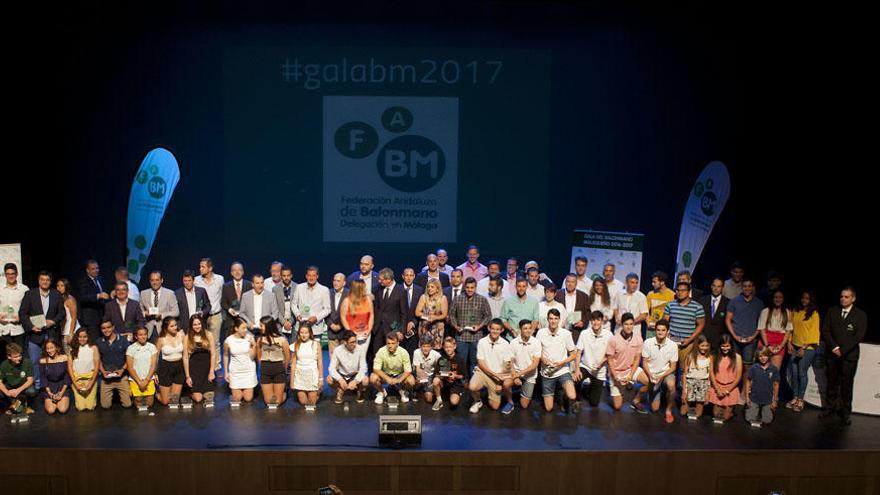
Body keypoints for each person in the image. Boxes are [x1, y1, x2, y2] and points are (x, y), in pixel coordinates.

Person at [821, 286, 868, 425]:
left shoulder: (860, 315)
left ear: (853, 298)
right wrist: (834, 347)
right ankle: (829, 408)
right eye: (841, 296)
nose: (843, 299)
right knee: (831, 382)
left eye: (846, 297)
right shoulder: (832, 311)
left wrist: (843, 350)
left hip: (849, 356)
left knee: (847, 384)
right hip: (832, 354)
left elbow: (858, 336)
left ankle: (845, 412)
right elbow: (826, 331)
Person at [19, 271, 65, 390]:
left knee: (52, 361)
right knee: (35, 361)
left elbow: (62, 313)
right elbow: (22, 313)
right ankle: (38, 385)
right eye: (42, 279)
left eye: (47, 280)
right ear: (39, 281)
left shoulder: (56, 294)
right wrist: (31, 326)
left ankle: (51, 385)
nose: (45, 282)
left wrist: (53, 321)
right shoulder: (30, 294)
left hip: (51, 334)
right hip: (35, 334)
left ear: (50, 281)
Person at [631, 320, 678, 423]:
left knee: (671, 385)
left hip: (665, 373)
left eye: (663, 330)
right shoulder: (648, 342)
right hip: (651, 374)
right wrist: (651, 375)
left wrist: (661, 377)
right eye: (658, 330)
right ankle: (642, 393)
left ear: (667, 331)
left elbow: (673, 367)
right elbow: (645, 363)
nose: (660, 332)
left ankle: (668, 410)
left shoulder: (673, 345)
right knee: (654, 409)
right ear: (655, 331)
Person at [536, 310, 578, 414]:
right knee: (549, 408)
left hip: (562, 370)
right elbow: (536, 351)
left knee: (572, 395)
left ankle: (565, 397)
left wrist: (562, 363)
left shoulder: (566, 334)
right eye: (551, 318)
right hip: (547, 372)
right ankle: (556, 392)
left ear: (559, 320)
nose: (553, 321)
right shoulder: (541, 333)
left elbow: (573, 354)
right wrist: (543, 359)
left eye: (555, 318)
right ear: (547, 319)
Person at [448, 277, 491, 379]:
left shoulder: (482, 299)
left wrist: (479, 326)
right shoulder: (458, 299)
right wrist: (456, 326)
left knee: (474, 362)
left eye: (472, 287)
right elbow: (451, 315)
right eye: (467, 287)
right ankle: (462, 385)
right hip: (461, 336)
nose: (469, 290)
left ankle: (473, 385)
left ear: (475, 288)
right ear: (464, 287)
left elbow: (488, 316)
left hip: (476, 337)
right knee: (461, 362)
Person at [469, 319, 514, 414]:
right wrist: (494, 374)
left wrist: (499, 383)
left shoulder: (505, 344)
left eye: (498, 329)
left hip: (498, 377)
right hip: (483, 372)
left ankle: (494, 393)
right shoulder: (482, 342)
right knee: (472, 387)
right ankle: (477, 401)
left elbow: (506, 366)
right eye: (493, 328)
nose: (495, 331)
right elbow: (481, 363)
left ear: (502, 330)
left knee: (495, 406)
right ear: (489, 328)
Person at [724, 278, 764, 380]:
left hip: (750, 340)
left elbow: (761, 323)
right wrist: (734, 335)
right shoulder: (734, 301)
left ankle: (744, 390)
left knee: (747, 366)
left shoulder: (759, 303)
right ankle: (733, 388)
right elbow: (728, 320)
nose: (747, 288)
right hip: (735, 338)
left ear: (753, 288)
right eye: (745, 286)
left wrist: (753, 337)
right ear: (742, 288)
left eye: (749, 286)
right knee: (734, 364)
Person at [787, 290, 820, 412]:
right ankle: (795, 397)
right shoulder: (796, 311)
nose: (804, 300)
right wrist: (789, 342)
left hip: (807, 348)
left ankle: (801, 399)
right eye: (803, 298)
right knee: (794, 374)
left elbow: (814, 332)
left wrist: (804, 347)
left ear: (811, 300)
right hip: (795, 345)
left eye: (807, 298)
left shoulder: (814, 313)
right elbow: (791, 328)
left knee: (802, 373)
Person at [605, 313, 644, 411]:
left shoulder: (638, 339)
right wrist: (615, 377)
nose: (629, 326)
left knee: (649, 381)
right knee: (617, 407)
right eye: (626, 324)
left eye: (631, 324)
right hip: (616, 373)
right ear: (622, 325)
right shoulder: (613, 340)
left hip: (630, 369)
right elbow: (609, 360)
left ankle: (636, 400)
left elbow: (637, 359)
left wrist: (631, 375)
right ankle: (615, 392)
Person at [574, 311, 612, 408]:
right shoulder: (584, 333)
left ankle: (588, 388)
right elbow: (578, 352)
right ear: (591, 321)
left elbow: (610, 354)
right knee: (576, 379)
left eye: (598, 320)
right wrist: (577, 369)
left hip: (599, 371)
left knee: (594, 403)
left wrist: (601, 362)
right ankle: (577, 396)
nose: (596, 322)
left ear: (602, 321)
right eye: (593, 320)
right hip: (585, 366)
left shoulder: (609, 335)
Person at [664, 281, 706, 365]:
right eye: (678, 290)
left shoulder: (697, 307)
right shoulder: (670, 305)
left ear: (688, 291)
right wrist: (667, 336)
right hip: (671, 342)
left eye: (683, 290)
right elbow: (665, 322)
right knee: (669, 368)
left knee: (685, 369)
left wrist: (690, 339)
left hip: (687, 343)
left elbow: (701, 325)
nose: (680, 292)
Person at [193, 258, 225, 369]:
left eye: (203, 267)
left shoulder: (220, 279)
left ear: (210, 268)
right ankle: (204, 365)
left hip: (215, 315)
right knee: (201, 341)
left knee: (215, 342)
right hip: (202, 316)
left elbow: (223, 295)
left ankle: (216, 365)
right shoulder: (196, 280)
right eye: (200, 266)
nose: (200, 269)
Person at [95, 319, 132, 409]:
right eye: (103, 328)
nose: (106, 330)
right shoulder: (99, 342)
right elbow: (98, 359)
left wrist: (122, 370)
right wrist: (103, 372)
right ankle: (113, 394)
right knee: (105, 406)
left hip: (121, 376)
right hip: (106, 377)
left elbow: (129, 358)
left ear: (113, 327)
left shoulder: (123, 340)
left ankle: (121, 394)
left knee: (127, 405)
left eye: (108, 327)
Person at [371, 268, 408, 357]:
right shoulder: (377, 289)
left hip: (392, 329)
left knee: (391, 355)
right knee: (377, 355)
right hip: (378, 329)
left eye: (381, 279)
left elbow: (404, 313)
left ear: (389, 280)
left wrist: (401, 331)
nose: (379, 281)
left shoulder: (401, 291)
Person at [707, 334, 743, 424]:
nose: (725, 348)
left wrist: (727, 390)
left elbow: (738, 377)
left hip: (730, 389)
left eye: (727, 346)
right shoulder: (714, 356)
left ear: (731, 346)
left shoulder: (737, 357)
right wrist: (717, 389)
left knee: (725, 417)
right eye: (723, 346)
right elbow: (711, 374)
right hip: (717, 387)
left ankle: (730, 411)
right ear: (719, 346)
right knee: (716, 415)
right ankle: (724, 408)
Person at [370, 333, 415, 404]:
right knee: (373, 377)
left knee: (411, 380)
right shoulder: (381, 351)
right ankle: (382, 392)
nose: (390, 346)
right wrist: (387, 378)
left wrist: (399, 380)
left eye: (393, 343)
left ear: (397, 343)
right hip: (386, 374)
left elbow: (408, 370)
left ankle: (403, 391)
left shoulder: (403, 352)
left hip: (399, 375)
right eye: (388, 343)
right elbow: (376, 369)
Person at [327, 330, 368, 404]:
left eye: (355, 341)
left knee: (365, 380)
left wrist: (356, 381)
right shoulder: (337, 350)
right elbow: (331, 368)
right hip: (342, 375)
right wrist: (340, 380)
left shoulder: (360, 349)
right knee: (329, 379)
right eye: (352, 342)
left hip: (354, 374)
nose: (355, 344)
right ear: (345, 342)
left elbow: (363, 368)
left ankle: (359, 390)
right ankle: (340, 389)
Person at [257, 316, 290, 406]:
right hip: (265, 371)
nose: (260, 328)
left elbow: (287, 357)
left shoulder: (282, 340)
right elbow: (259, 356)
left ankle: (285, 392)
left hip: (279, 370)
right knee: (269, 402)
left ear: (268, 326)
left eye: (261, 326)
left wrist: (283, 369)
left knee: (277, 402)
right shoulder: (260, 340)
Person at [183, 315, 215, 404]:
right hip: (194, 370)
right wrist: (187, 376)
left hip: (206, 368)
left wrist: (212, 371)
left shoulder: (209, 335)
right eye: (194, 325)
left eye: (199, 324)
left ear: (202, 324)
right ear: (191, 326)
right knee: (198, 399)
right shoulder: (187, 337)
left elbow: (213, 354)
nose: (197, 326)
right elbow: (185, 358)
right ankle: (189, 393)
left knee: (209, 397)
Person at [757, 290, 792, 374]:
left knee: (774, 372)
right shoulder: (765, 311)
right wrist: (768, 346)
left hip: (779, 344)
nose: (778, 299)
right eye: (776, 297)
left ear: (783, 299)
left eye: (780, 297)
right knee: (762, 372)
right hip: (766, 342)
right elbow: (761, 329)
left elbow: (788, 331)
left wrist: (781, 346)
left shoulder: (787, 312)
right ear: (772, 299)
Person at [292, 266, 331, 341]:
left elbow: (327, 309)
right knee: (299, 351)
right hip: (301, 326)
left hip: (316, 328)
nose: (311, 278)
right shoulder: (299, 287)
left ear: (317, 276)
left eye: (313, 275)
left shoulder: (324, 290)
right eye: (309, 275)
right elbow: (293, 304)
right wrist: (297, 314)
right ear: (306, 276)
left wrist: (316, 318)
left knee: (315, 351)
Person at [509, 320, 541, 410]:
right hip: (515, 372)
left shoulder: (536, 342)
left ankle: (520, 390)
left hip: (529, 375)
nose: (528, 330)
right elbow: (510, 362)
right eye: (525, 328)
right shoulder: (513, 342)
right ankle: (510, 399)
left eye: (530, 328)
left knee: (524, 405)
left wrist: (519, 375)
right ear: (520, 330)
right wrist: (515, 376)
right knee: (506, 384)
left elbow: (534, 365)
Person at [744, 347, 780, 428]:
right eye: (760, 356)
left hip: (767, 399)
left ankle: (764, 412)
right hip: (754, 398)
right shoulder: (754, 367)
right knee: (749, 418)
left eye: (765, 355)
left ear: (769, 356)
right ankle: (755, 412)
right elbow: (748, 382)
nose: (763, 358)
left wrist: (774, 400)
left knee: (767, 421)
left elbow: (776, 384)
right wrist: (747, 397)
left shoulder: (773, 369)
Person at [224, 317, 257, 403]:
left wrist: (254, 346)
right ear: (236, 328)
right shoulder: (228, 340)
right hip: (235, 372)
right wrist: (226, 372)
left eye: (246, 328)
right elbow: (225, 355)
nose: (246, 330)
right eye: (243, 328)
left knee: (248, 398)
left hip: (248, 371)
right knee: (237, 398)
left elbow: (252, 357)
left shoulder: (249, 338)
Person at [140, 270, 179, 343]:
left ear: (162, 280)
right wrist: (145, 313)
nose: (154, 283)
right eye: (152, 280)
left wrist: (162, 315)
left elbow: (176, 312)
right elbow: (139, 311)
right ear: (149, 281)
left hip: (164, 330)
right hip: (148, 331)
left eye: (157, 280)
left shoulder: (169, 293)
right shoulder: (143, 293)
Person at [0, 263, 28, 363]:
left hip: (18, 329)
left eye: (13, 273)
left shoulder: (24, 289)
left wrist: (22, 317)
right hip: (3, 329)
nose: (10, 276)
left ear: (17, 274)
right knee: (4, 358)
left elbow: (29, 309)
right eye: (8, 274)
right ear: (5, 275)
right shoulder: (0, 288)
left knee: (19, 357)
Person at [290, 321, 322, 407]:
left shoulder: (316, 344)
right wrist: (292, 382)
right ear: (299, 333)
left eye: (306, 333)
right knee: (303, 402)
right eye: (302, 332)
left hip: (312, 375)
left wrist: (320, 379)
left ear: (310, 333)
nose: (304, 335)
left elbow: (320, 362)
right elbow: (293, 365)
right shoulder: (295, 345)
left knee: (311, 403)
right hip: (300, 376)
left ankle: (317, 393)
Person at [680, 334, 711, 419]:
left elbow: (709, 377)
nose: (704, 348)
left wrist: (708, 392)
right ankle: (689, 407)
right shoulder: (690, 357)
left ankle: (694, 408)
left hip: (702, 383)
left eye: (706, 346)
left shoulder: (709, 358)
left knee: (698, 414)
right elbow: (684, 374)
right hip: (690, 383)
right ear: (697, 345)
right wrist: (684, 390)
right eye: (702, 345)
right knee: (683, 413)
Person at [126, 327, 159, 409]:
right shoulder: (131, 348)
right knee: (140, 406)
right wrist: (139, 382)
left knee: (149, 404)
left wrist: (147, 380)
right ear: (136, 336)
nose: (143, 337)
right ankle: (133, 395)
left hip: (149, 379)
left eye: (145, 334)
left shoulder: (152, 347)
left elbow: (153, 365)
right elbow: (130, 367)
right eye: (140, 335)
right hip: (136, 380)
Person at [77, 260, 111, 339]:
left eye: (97, 268)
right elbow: (83, 297)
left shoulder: (101, 280)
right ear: (87, 270)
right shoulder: (83, 282)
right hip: (90, 318)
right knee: (94, 340)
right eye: (93, 269)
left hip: (102, 316)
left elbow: (105, 294)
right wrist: (98, 296)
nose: (96, 270)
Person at [0, 343, 37, 415]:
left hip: (23, 386)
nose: (19, 358)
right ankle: (10, 406)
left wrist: (17, 390)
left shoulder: (27, 362)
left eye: (20, 355)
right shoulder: (4, 364)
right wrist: (7, 392)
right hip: (10, 387)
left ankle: (27, 406)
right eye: (15, 357)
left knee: (31, 391)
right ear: (9, 357)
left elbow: (30, 380)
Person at [68, 328, 99, 411]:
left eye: (85, 337)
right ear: (77, 337)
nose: (82, 339)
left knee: (90, 407)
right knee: (80, 408)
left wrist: (91, 383)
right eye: (80, 337)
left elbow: (96, 366)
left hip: (90, 379)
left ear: (88, 337)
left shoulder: (93, 348)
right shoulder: (72, 349)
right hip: (77, 380)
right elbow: (70, 367)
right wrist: (75, 384)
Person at [156, 316, 185, 405]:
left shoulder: (181, 335)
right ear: (166, 328)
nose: (175, 327)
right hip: (166, 368)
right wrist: (154, 373)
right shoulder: (161, 339)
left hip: (179, 367)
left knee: (174, 401)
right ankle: (155, 394)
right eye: (172, 326)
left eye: (175, 325)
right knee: (165, 402)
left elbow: (186, 353)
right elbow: (155, 357)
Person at [432, 336, 466, 411]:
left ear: (454, 346)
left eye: (450, 347)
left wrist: (455, 375)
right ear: (443, 347)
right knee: (435, 380)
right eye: (446, 347)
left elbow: (463, 376)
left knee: (454, 402)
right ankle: (439, 400)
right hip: (444, 383)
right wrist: (443, 375)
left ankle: (458, 393)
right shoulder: (442, 359)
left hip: (455, 384)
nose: (448, 349)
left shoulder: (460, 359)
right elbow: (436, 374)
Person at [339, 280, 374, 352]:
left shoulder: (368, 299)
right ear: (359, 289)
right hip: (352, 335)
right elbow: (343, 318)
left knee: (362, 356)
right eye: (364, 287)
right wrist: (351, 334)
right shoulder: (346, 301)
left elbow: (371, 315)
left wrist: (368, 331)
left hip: (365, 334)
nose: (366, 289)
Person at [220, 262, 253, 335]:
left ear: (243, 272)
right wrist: (229, 309)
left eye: (239, 270)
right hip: (231, 321)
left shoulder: (249, 285)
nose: (237, 272)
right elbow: (223, 302)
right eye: (234, 270)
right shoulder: (226, 286)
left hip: (246, 319)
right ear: (231, 273)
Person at [39, 339, 70, 415]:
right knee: (51, 410)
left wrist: (61, 393)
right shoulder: (43, 361)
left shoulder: (64, 358)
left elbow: (67, 376)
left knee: (62, 409)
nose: (49, 350)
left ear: (56, 347)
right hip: (49, 387)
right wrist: (50, 394)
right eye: (47, 348)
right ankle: (51, 401)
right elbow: (43, 379)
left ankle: (60, 400)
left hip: (62, 386)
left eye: (51, 347)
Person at [555, 274, 589, 342]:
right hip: (559, 331)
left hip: (576, 332)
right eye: (568, 281)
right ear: (565, 282)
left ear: (576, 283)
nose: (570, 284)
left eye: (572, 282)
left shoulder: (584, 296)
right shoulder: (557, 294)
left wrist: (583, 322)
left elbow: (588, 313)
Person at [698, 278, 729, 348]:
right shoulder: (702, 300)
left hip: (719, 340)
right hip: (703, 338)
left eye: (719, 286)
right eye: (714, 286)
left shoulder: (728, 302)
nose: (716, 288)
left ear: (722, 288)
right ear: (711, 286)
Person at [325, 272, 350, 356]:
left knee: (345, 360)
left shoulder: (349, 293)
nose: (335, 283)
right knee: (333, 361)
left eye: (338, 281)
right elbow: (324, 310)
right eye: (334, 280)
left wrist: (340, 325)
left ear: (344, 283)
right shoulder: (328, 292)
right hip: (331, 333)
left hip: (344, 332)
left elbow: (350, 313)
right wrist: (331, 324)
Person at [400, 267, 424, 355]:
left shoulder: (420, 290)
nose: (409, 278)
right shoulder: (398, 289)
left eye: (411, 275)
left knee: (412, 354)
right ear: (403, 276)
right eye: (406, 275)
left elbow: (423, 309)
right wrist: (403, 325)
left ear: (414, 276)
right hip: (401, 329)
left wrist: (413, 322)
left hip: (415, 328)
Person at [646, 271, 675, 339]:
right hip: (651, 328)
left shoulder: (672, 295)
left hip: (663, 329)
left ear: (662, 282)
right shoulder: (650, 294)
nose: (652, 284)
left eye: (654, 282)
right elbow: (646, 311)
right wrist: (648, 322)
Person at [272, 265, 298, 343]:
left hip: (294, 322)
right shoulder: (275, 289)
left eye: (288, 275)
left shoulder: (298, 287)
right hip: (280, 323)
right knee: (283, 348)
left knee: (294, 348)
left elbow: (299, 307)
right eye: (284, 276)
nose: (286, 278)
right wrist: (283, 322)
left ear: (291, 275)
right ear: (281, 276)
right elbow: (275, 308)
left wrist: (290, 322)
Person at [412, 337, 441, 403]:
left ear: (431, 347)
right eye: (424, 346)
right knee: (417, 381)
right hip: (419, 373)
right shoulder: (416, 352)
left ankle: (429, 390)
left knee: (429, 399)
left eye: (428, 346)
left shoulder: (437, 355)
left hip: (430, 374)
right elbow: (418, 369)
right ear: (420, 346)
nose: (426, 348)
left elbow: (440, 368)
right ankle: (416, 390)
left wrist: (434, 378)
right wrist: (421, 378)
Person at [55, 278, 79, 352]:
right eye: (58, 286)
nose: (59, 288)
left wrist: (71, 334)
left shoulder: (70, 299)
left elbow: (74, 317)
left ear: (66, 287)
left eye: (62, 286)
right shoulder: (59, 299)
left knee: (70, 353)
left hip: (70, 331)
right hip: (64, 330)